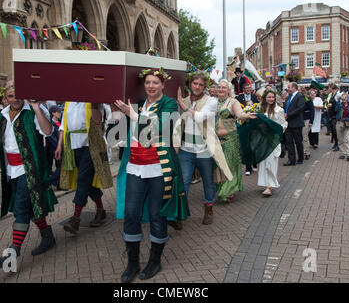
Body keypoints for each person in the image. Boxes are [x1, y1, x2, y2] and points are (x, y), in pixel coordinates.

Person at [114, 67, 189, 283]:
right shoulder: (136, 104)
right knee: (131, 214)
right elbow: (123, 128)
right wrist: (121, 113)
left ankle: (155, 261)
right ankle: (133, 263)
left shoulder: (169, 104)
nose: (151, 86)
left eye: (155, 82)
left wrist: (133, 115)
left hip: (159, 168)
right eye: (148, 82)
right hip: (135, 167)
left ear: (163, 85)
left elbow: (162, 127)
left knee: (157, 214)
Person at [0, 84, 58, 269]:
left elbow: (48, 131)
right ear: (6, 97)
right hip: (11, 170)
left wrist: (37, 108)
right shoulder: (2, 115)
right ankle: (47, 236)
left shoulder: (33, 110)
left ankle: (12, 254)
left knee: (21, 208)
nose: (16, 99)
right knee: (29, 208)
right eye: (12, 96)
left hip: (30, 169)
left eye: (19, 95)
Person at [174, 72, 233, 226]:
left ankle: (208, 208)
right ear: (190, 84)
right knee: (184, 181)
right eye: (195, 83)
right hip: (186, 149)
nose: (197, 87)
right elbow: (177, 124)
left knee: (208, 182)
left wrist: (182, 105)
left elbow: (200, 117)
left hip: (204, 150)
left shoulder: (211, 101)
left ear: (204, 87)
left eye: (201, 84)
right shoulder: (184, 101)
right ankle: (180, 214)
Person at [55, 99, 113, 233]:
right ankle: (101, 210)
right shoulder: (68, 103)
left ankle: (75, 218)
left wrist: (94, 103)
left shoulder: (96, 101)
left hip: (91, 146)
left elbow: (99, 122)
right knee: (88, 182)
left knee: (82, 180)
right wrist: (59, 145)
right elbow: (64, 125)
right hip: (73, 146)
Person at [214, 79, 256, 202]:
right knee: (218, 166)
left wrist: (248, 115)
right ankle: (221, 187)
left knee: (229, 165)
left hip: (230, 139)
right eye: (219, 87)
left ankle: (228, 189)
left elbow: (240, 115)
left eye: (224, 87)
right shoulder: (212, 102)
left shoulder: (233, 102)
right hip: (215, 140)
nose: (221, 89)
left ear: (228, 90)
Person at [257, 89, 288, 196]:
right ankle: (265, 184)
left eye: (272, 97)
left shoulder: (279, 110)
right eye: (269, 97)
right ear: (265, 98)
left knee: (271, 162)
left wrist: (276, 131)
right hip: (262, 139)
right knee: (263, 163)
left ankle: (269, 186)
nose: (271, 99)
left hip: (273, 140)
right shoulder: (261, 109)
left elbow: (284, 124)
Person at [283, 82, 306, 166]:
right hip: (288, 123)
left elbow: (300, 108)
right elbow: (285, 107)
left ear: (294, 88)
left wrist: (288, 115)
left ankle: (300, 158)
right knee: (289, 142)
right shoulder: (288, 97)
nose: (288, 89)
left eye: (289, 87)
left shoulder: (300, 96)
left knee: (298, 142)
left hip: (296, 123)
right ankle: (291, 160)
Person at [46, 105, 62, 189]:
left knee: (61, 166)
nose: (60, 113)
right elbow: (52, 138)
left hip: (62, 147)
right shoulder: (51, 124)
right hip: (56, 148)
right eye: (58, 112)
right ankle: (50, 181)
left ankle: (59, 184)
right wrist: (58, 147)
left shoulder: (60, 122)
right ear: (53, 113)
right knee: (61, 166)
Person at [335, 93, 349, 161]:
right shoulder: (339, 105)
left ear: (347, 99)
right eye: (342, 98)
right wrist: (338, 101)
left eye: (345, 98)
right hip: (340, 122)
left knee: (347, 139)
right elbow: (335, 110)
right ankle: (342, 153)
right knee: (340, 139)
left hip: (348, 123)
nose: (343, 99)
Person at [301, 89, 315, 160]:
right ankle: (304, 151)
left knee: (304, 135)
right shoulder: (299, 99)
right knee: (302, 137)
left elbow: (312, 110)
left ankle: (306, 152)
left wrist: (311, 121)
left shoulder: (308, 99)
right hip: (300, 120)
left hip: (307, 119)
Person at [326, 84, 340, 151]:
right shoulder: (331, 94)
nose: (328, 89)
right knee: (333, 130)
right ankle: (335, 143)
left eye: (329, 87)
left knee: (335, 130)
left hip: (335, 115)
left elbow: (339, 104)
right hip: (330, 114)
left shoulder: (337, 95)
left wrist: (332, 104)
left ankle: (337, 144)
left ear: (332, 88)